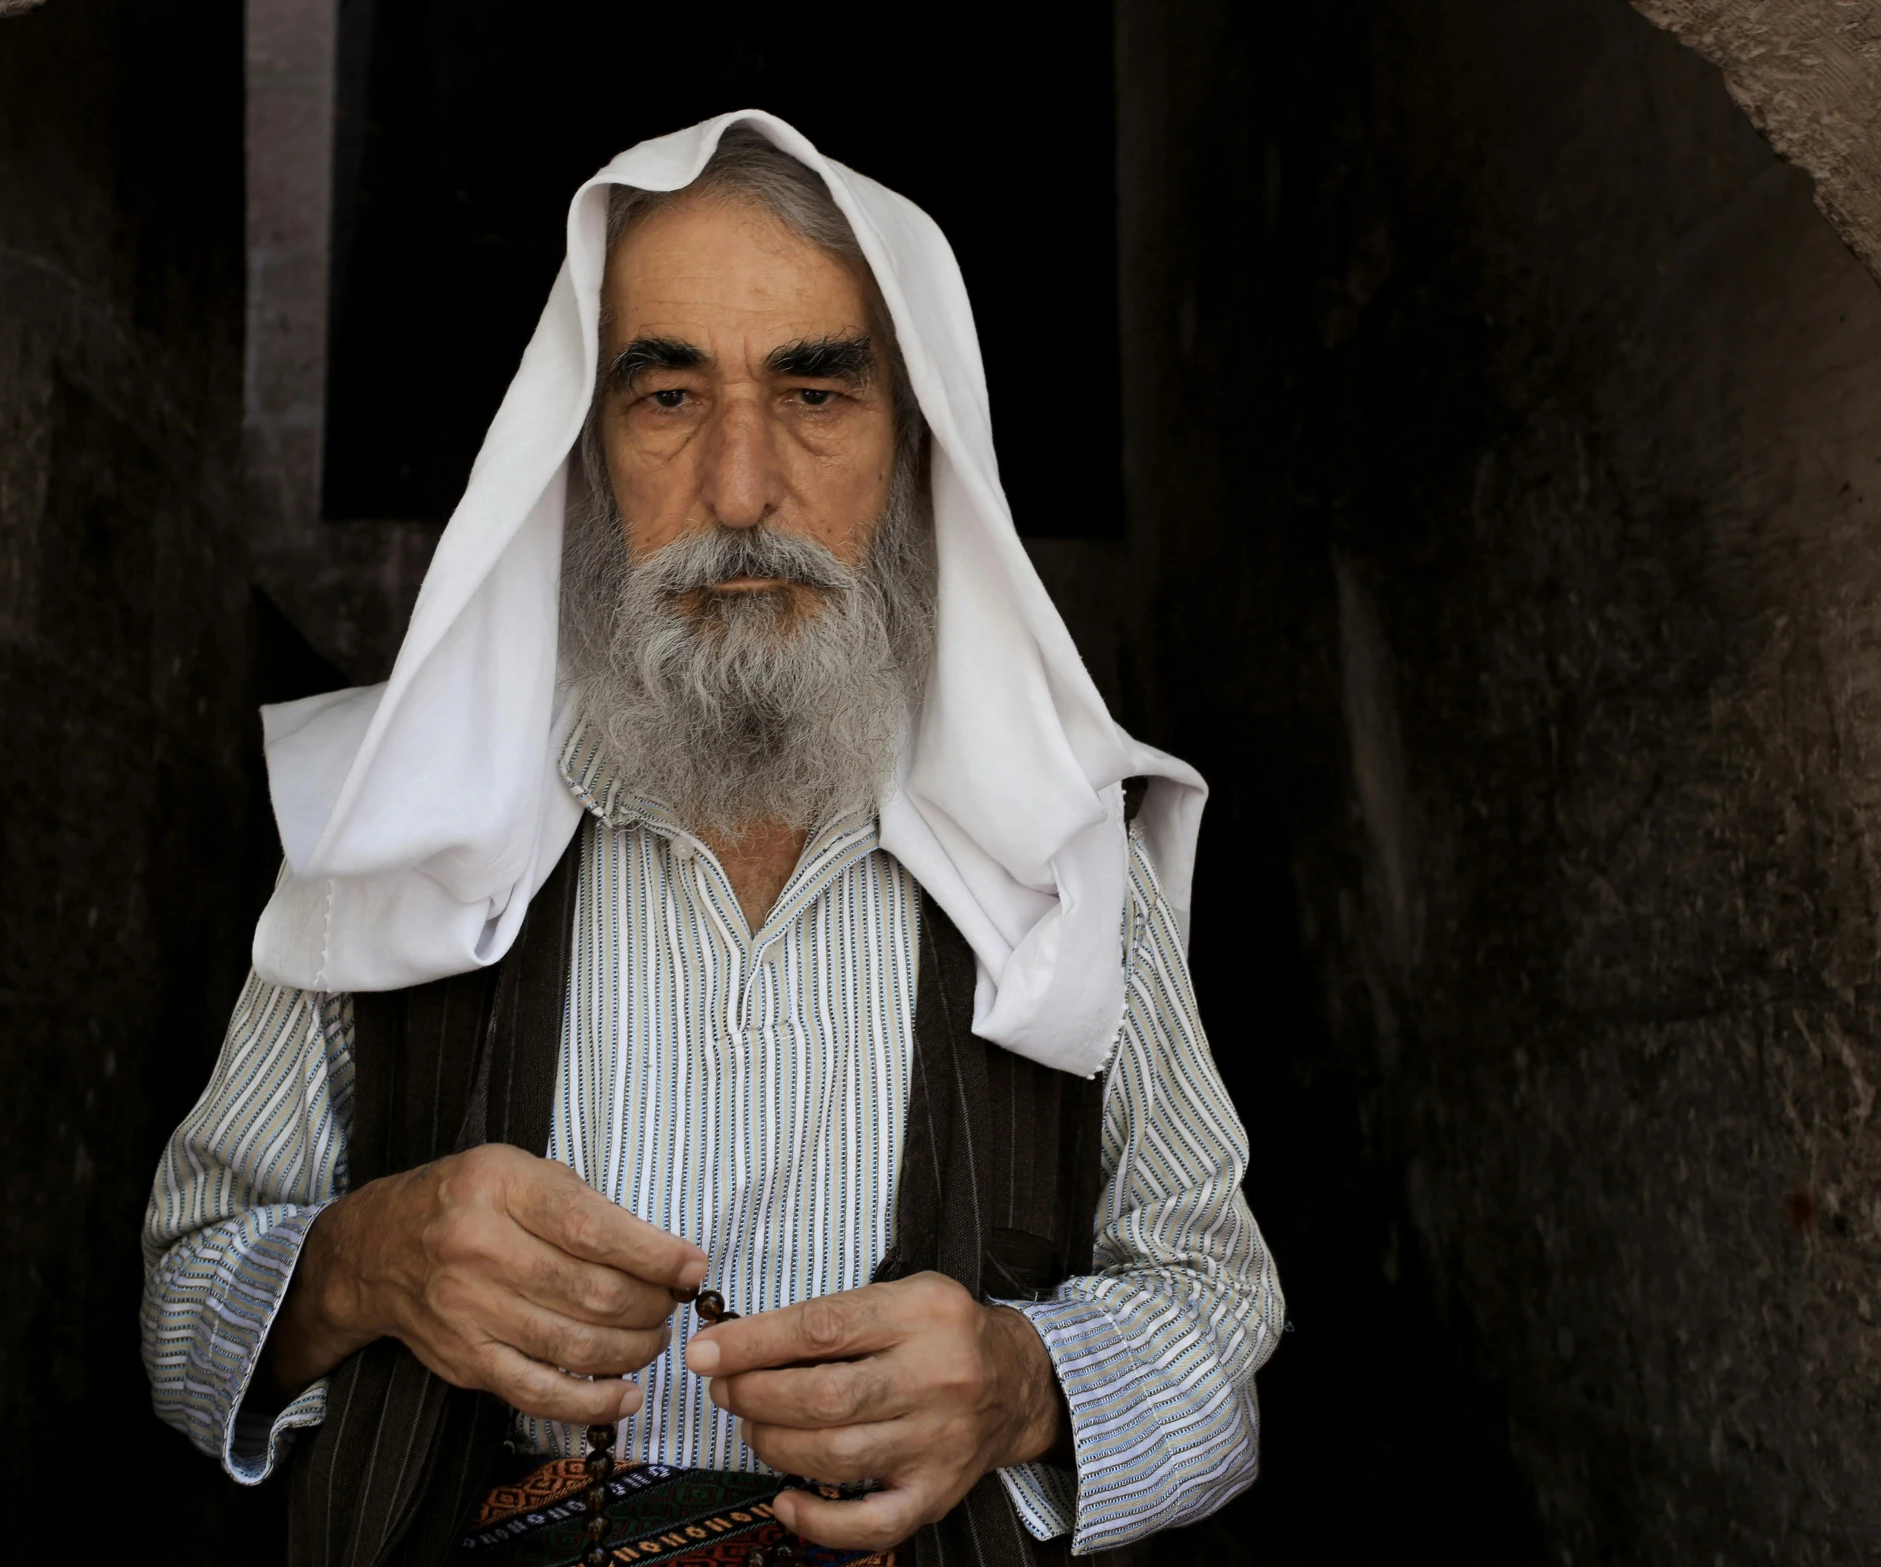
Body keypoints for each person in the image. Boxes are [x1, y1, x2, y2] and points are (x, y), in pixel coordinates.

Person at [141, 112, 1282, 1567]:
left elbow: (1215, 1313)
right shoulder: (394, 831)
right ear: (589, 452)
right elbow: (179, 1313)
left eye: (815, 392)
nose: (740, 491)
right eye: (667, 396)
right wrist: (360, 1265)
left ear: (912, 446)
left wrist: (1021, 1384)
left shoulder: (1059, 852)